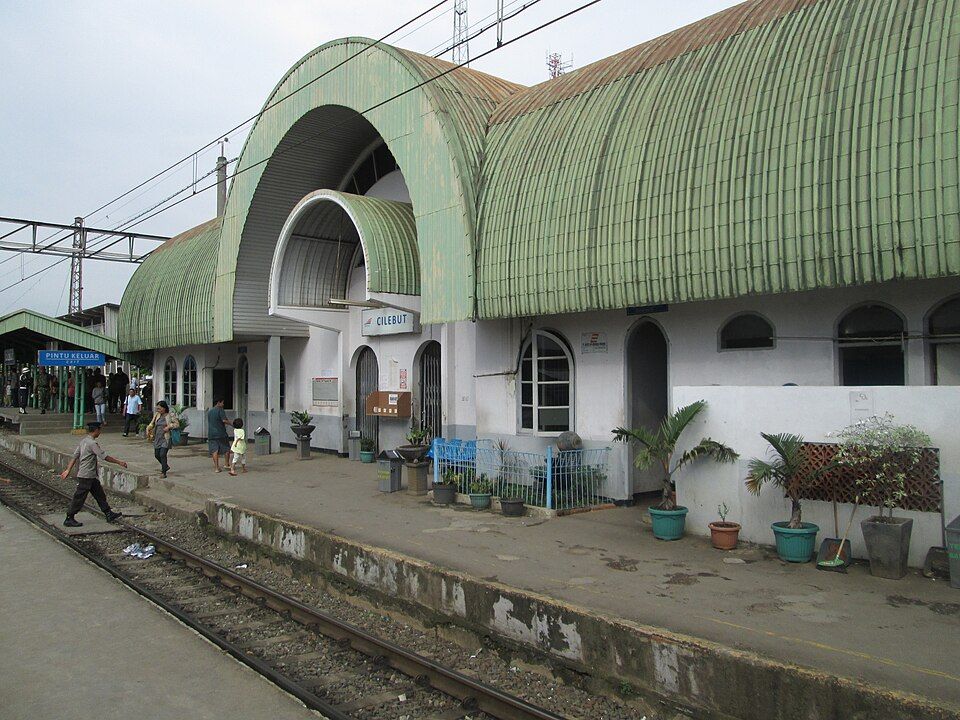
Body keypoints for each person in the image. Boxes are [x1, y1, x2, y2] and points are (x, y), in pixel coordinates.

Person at [60, 421, 127, 527]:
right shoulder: (92, 444)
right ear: (96, 430)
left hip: (89, 475)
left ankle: (108, 513)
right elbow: (103, 456)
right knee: (79, 497)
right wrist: (119, 462)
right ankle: (69, 517)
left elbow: (75, 456)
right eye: (99, 430)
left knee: (99, 494)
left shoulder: (84, 441)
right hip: (86, 475)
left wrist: (68, 470)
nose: (100, 432)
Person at [146, 400, 177, 478]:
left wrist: (169, 427)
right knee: (157, 455)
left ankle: (163, 472)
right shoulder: (157, 415)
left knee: (162, 454)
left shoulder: (170, 415)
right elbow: (152, 423)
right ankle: (165, 466)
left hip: (165, 438)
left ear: (164, 408)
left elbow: (177, 424)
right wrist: (149, 428)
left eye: (159, 409)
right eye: (157, 409)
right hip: (157, 437)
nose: (158, 410)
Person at [206, 398, 232, 472]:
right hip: (221, 433)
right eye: (222, 403)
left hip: (211, 434)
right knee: (226, 448)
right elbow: (224, 420)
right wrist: (232, 424)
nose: (223, 404)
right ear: (218, 402)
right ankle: (226, 464)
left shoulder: (210, 411)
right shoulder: (220, 410)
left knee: (214, 450)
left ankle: (216, 468)